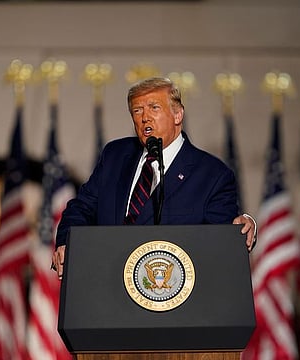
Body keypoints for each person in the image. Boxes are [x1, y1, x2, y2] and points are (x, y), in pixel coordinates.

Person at [52, 76, 256, 278]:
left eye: (154, 108)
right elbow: (82, 208)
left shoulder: (212, 175)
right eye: (137, 110)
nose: (145, 117)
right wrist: (66, 242)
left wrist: (242, 226)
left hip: (171, 295)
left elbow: (219, 244)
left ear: (177, 115)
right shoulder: (115, 155)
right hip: (108, 283)